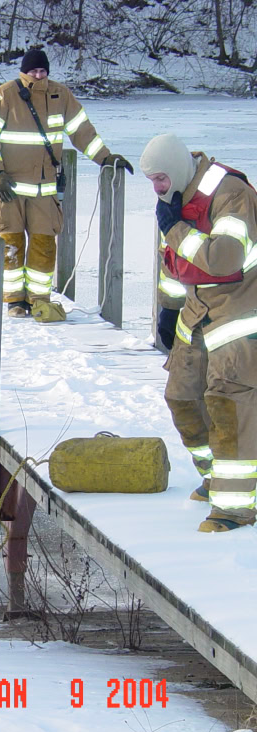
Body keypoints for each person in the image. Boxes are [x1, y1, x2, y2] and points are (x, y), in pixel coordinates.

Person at [140, 133, 257, 532]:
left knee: (228, 402)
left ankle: (235, 507)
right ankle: (215, 477)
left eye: (159, 179)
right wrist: (170, 310)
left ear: (174, 170)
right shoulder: (176, 198)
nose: (156, 188)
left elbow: (224, 259)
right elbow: (175, 263)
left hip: (240, 308)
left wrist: (174, 229)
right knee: (182, 397)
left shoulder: (231, 193)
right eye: (151, 181)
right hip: (196, 311)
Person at [0, 47, 134, 317]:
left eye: (43, 70)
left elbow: (82, 131)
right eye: (34, 70)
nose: (38, 75)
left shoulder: (61, 95)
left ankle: (39, 300)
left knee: (44, 245)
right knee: (11, 246)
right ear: (23, 71)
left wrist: (105, 158)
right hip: (8, 189)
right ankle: (14, 301)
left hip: (44, 189)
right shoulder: (4, 95)